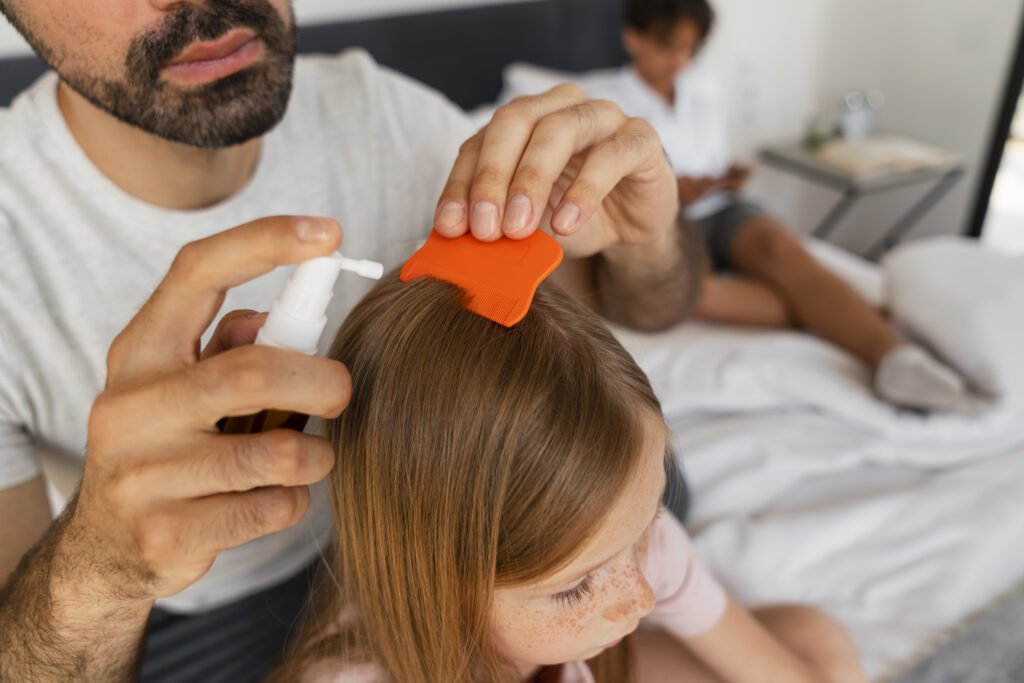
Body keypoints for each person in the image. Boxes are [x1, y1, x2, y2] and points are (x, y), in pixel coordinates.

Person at [0, 1, 703, 681]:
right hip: (209, 610)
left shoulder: (387, 116)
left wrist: (649, 245)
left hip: (448, 529)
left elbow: (641, 309)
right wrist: (99, 571)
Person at [273, 271, 868, 683]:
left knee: (815, 643)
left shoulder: (635, 550)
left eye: (646, 522)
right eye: (573, 589)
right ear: (437, 576)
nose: (639, 597)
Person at [592, 0, 966, 412]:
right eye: (668, 46)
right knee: (686, 294)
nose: (680, 60)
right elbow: (610, 195)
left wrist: (727, 174)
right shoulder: (605, 102)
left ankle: (895, 359)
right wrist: (677, 189)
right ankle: (861, 315)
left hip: (724, 208)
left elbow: (712, 157)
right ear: (633, 38)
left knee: (778, 247)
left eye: (690, 48)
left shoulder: (703, 91)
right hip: (667, 222)